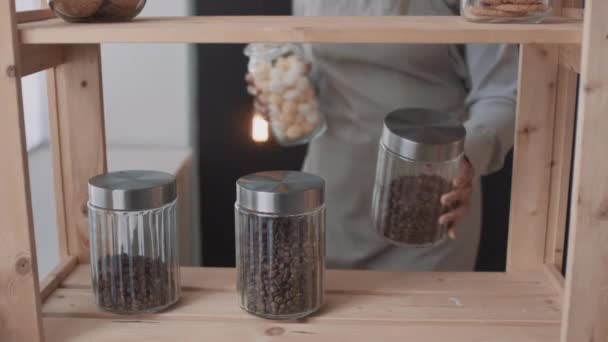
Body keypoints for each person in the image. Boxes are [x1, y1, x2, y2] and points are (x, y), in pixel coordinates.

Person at [291, 0, 518, 271]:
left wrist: (466, 157)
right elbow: (317, 72)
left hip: (431, 199)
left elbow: (504, 92)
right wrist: (288, 96)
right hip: (332, 202)